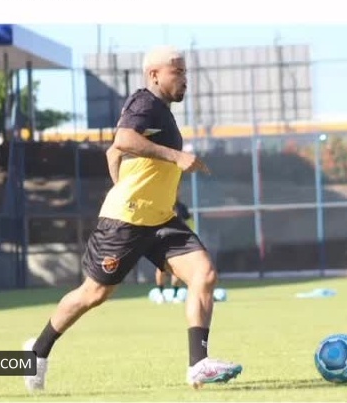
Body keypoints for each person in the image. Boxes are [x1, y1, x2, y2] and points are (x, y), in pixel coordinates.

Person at [23, 45, 243, 391]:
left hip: (161, 219)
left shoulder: (161, 112)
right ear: (154, 75)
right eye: (177, 71)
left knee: (204, 274)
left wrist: (129, 182)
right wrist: (171, 160)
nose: (185, 78)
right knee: (93, 293)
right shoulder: (144, 102)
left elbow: (113, 152)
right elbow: (123, 139)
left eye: (185, 72)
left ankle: (198, 364)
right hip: (125, 222)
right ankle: (36, 352)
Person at [154, 199, 193, 303]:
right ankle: (161, 294)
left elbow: (189, 223)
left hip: (178, 243)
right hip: (161, 242)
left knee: (177, 269)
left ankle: (175, 295)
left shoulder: (181, 207)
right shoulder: (159, 204)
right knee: (161, 268)